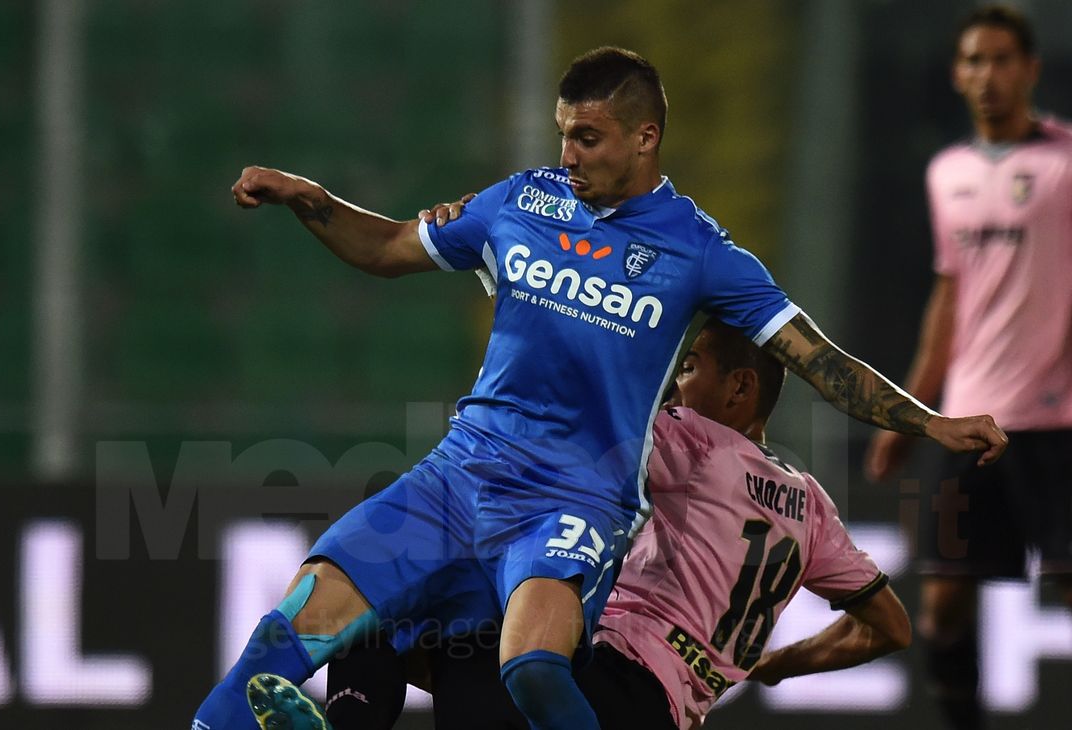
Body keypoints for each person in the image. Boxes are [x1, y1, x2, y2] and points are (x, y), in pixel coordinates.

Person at [196, 47, 1005, 730]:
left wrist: (931, 423)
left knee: (535, 672)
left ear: (645, 138)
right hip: (461, 473)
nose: (569, 154)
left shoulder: (700, 254)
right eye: (564, 136)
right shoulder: (521, 201)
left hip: (572, 500)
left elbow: (821, 360)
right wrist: (311, 199)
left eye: (589, 137)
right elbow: (389, 247)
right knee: (299, 621)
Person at [325, 317, 912, 730]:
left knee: (378, 615)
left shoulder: (695, 441)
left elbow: (590, 412)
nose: (676, 384)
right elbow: (888, 627)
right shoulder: (810, 503)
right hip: (662, 711)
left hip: (603, 678)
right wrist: (779, 665)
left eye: (688, 367)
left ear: (741, 386)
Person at [863, 6, 1072, 730]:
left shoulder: (1065, 164)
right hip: (967, 423)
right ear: (958, 74)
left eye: (1002, 60)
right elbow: (949, 299)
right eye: (975, 61)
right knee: (942, 604)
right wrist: (906, 412)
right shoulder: (946, 172)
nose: (988, 76)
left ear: (1031, 69)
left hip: (1058, 423)